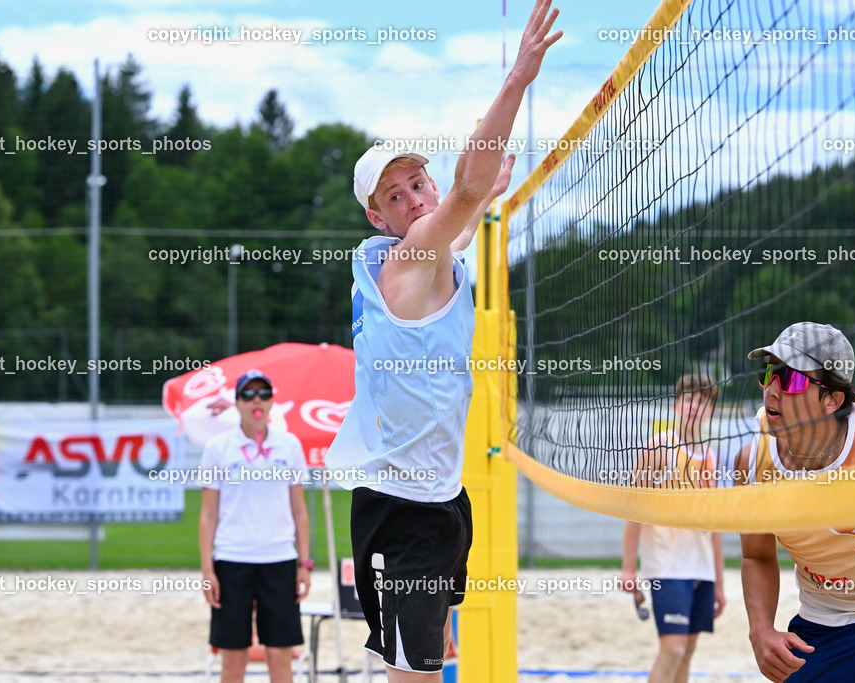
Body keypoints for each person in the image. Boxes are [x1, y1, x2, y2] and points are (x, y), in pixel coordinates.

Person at [323, 2, 562, 679]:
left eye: (416, 182)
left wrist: (481, 200)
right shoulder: (410, 258)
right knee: (415, 674)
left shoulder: (410, 257)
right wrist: (517, 79)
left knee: (425, 663)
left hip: (437, 496)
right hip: (407, 511)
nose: (415, 199)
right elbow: (463, 191)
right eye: (395, 197)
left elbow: (459, 217)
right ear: (377, 217)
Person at [733, 322, 855, 683]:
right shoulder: (752, 462)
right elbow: (757, 556)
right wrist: (760, 630)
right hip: (827, 627)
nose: (773, 389)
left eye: (791, 378)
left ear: (832, 399)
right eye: (769, 372)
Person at [198, 370, 312, 683]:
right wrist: (207, 569)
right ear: (236, 403)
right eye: (248, 395)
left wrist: (305, 564)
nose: (256, 401)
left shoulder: (289, 445)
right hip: (232, 560)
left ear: (273, 401)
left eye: (264, 394)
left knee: (279, 659)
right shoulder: (218, 447)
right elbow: (208, 514)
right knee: (233, 661)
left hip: (279, 560)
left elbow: (299, 510)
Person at [620, 373, 727, 683]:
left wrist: (719, 582)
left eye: (702, 401)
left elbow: (714, 525)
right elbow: (633, 511)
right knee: (674, 649)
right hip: (667, 567)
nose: (694, 406)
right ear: (677, 405)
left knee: (689, 650)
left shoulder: (710, 456)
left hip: (701, 569)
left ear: (711, 411)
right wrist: (628, 569)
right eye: (688, 399)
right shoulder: (659, 447)